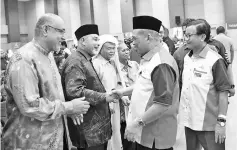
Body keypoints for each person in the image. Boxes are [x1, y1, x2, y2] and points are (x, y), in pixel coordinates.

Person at [1, 13, 90, 150]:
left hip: (53, 137)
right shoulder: (24, 59)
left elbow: (52, 95)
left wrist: (67, 110)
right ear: (46, 30)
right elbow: (30, 105)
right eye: (61, 31)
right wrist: (68, 107)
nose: (63, 37)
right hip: (29, 142)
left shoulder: (48, 55)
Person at [114, 16, 180, 150]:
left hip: (155, 136)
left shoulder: (161, 64)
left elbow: (163, 104)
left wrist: (136, 124)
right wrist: (122, 92)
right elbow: (146, 88)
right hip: (145, 132)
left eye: (135, 39)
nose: (132, 44)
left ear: (148, 37)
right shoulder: (148, 59)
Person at [61, 24, 120, 150]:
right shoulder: (75, 61)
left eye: (98, 39)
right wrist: (104, 97)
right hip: (88, 133)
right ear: (82, 41)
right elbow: (75, 91)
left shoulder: (85, 59)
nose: (98, 43)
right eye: (94, 39)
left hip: (96, 131)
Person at [179, 19, 231, 150]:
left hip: (209, 125)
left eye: (189, 35)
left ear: (202, 37)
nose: (185, 39)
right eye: (185, 35)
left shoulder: (215, 60)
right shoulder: (187, 58)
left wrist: (221, 123)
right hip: (190, 122)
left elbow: (223, 93)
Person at [92, 34, 123, 150]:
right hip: (103, 104)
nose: (112, 51)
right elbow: (95, 88)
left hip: (113, 103)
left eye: (113, 48)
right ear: (100, 48)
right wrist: (104, 104)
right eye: (108, 48)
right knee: (107, 135)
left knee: (115, 131)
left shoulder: (110, 63)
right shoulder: (96, 64)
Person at [117, 41, 139, 150]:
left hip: (136, 105)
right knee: (126, 139)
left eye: (127, 49)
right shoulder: (116, 69)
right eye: (123, 50)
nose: (127, 52)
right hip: (124, 109)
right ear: (117, 53)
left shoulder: (135, 65)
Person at [214, 26, 235, 96]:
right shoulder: (229, 39)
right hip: (227, 60)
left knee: (220, 79)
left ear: (217, 31)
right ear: (224, 31)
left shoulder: (214, 39)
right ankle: (229, 92)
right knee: (229, 77)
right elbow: (232, 51)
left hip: (217, 62)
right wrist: (231, 61)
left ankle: (222, 95)